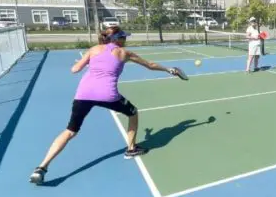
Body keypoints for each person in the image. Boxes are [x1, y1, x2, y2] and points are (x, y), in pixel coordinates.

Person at [29, 26, 186, 185]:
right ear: (117, 38)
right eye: (124, 37)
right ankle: (131, 149)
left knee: (70, 131)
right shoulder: (124, 53)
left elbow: (74, 70)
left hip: (83, 94)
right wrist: (169, 69)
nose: (126, 40)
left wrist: (89, 62)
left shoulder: (94, 49)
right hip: (108, 95)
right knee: (133, 112)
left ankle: (41, 168)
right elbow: (150, 65)